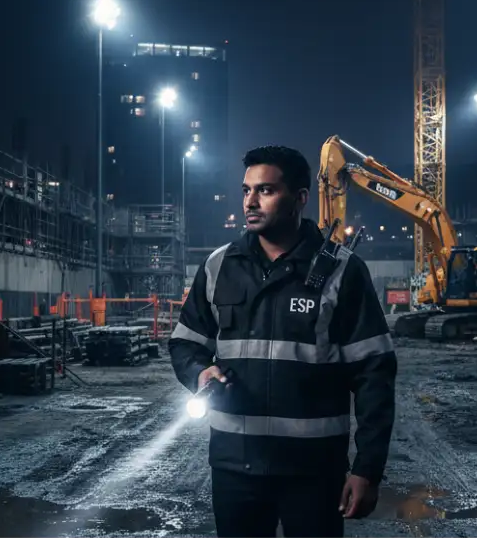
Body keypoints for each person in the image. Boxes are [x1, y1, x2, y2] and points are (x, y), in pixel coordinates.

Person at [169, 145, 397, 540]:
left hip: (314, 474)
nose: (250, 202)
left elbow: (374, 372)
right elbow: (185, 342)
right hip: (235, 469)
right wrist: (199, 371)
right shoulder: (219, 267)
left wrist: (367, 469)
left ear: (301, 198)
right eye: (246, 190)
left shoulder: (343, 272)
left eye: (266, 190)